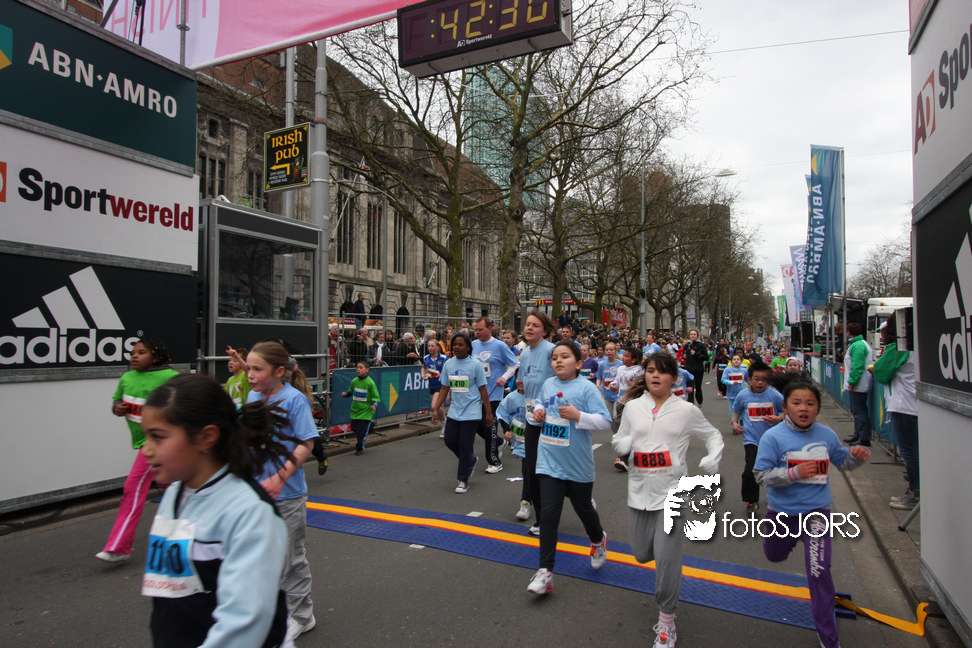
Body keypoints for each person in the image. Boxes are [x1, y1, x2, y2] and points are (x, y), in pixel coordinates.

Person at [139, 374, 291, 648]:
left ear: (206, 437)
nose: (145, 450)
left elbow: (244, 622)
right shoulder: (174, 493)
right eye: (145, 436)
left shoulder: (250, 511)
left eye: (157, 437)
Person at [612, 352, 724, 648]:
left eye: (662, 371)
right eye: (650, 370)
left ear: (674, 378)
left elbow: (713, 435)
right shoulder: (633, 407)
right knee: (641, 554)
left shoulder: (686, 410)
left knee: (667, 558)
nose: (655, 375)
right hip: (639, 491)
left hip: (673, 493)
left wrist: (713, 456)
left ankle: (666, 621)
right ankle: (661, 563)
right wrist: (622, 444)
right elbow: (619, 438)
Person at [754, 378, 871, 648]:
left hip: (817, 515)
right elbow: (761, 475)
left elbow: (842, 461)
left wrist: (855, 457)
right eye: (796, 403)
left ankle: (829, 638)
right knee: (774, 555)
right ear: (785, 408)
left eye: (810, 403)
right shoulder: (773, 437)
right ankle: (791, 540)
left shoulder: (826, 435)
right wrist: (794, 473)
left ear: (818, 408)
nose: (803, 408)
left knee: (819, 572)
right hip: (782, 514)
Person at [526, 341, 613, 595]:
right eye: (554, 358)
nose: (558, 361)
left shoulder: (586, 388)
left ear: (578, 363)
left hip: (577, 463)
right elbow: (539, 404)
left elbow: (605, 421)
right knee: (549, 516)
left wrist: (579, 416)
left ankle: (598, 539)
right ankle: (545, 572)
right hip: (549, 461)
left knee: (583, 508)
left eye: (565, 357)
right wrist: (538, 412)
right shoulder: (548, 384)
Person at [245, 341, 319, 639]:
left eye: (256, 369)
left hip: (287, 495)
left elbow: (306, 443)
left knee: (290, 559)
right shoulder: (252, 396)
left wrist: (279, 477)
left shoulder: (294, 400)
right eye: (248, 368)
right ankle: (268, 609)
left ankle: (302, 615)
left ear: (278, 372)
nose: (250, 375)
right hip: (256, 492)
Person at [97, 337, 179, 564]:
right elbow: (116, 402)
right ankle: (194, 526)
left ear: (156, 357)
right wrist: (117, 408)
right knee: (173, 487)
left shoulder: (170, 377)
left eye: (141, 352)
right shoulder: (127, 378)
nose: (134, 356)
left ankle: (119, 547)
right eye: (133, 352)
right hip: (145, 442)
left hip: (159, 443)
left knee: (132, 487)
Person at [431, 332, 493, 494]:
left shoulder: (476, 365)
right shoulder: (449, 364)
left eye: (461, 345)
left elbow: (483, 389)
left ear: (468, 347)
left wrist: (488, 412)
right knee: (450, 440)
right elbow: (444, 387)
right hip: (455, 410)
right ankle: (469, 460)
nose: (457, 347)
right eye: (454, 345)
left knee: (465, 445)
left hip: (472, 411)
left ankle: (463, 479)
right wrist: (436, 408)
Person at [872, 316, 919, 509]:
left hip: (904, 405)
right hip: (914, 404)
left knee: (909, 451)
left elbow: (881, 372)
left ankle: (915, 493)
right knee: (912, 450)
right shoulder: (917, 343)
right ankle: (914, 491)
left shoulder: (900, 347)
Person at [518, 310, 557, 534]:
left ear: (545, 331)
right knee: (531, 468)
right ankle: (542, 519)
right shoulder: (524, 354)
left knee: (554, 468)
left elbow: (562, 381)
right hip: (531, 418)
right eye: (527, 324)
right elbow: (523, 384)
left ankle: (580, 496)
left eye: (535, 325)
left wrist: (546, 405)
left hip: (552, 418)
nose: (529, 328)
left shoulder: (552, 351)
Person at [731, 362, 784, 513]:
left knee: (775, 470)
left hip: (772, 440)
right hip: (751, 439)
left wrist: (778, 418)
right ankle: (752, 500)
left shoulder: (774, 395)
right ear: (749, 380)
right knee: (750, 470)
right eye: (757, 379)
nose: (760, 383)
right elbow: (737, 410)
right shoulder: (743, 395)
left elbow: (786, 411)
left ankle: (779, 498)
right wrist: (734, 422)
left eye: (764, 380)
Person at [471, 317, 520, 474]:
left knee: (489, 426)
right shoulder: (474, 344)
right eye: (475, 330)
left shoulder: (499, 346)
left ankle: (494, 462)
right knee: (476, 425)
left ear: (490, 329)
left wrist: (504, 378)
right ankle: (498, 442)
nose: (477, 332)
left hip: (493, 394)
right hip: (477, 394)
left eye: (480, 329)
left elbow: (515, 364)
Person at [496, 379, 530, 520]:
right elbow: (502, 414)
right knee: (527, 472)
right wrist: (506, 430)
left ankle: (579, 497)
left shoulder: (538, 396)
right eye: (518, 377)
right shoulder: (511, 398)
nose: (521, 380)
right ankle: (525, 504)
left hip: (539, 442)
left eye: (524, 377)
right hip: (520, 442)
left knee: (544, 476)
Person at [843, 321, 874, 446]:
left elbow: (857, 366)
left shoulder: (858, 345)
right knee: (857, 411)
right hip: (859, 383)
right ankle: (858, 435)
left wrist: (852, 382)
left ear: (849, 332)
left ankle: (864, 437)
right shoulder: (857, 344)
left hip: (859, 383)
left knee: (860, 411)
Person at [341, 361, 381, 456]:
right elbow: (351, 391)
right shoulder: (354, 381)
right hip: (356, 410)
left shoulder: (370, 383)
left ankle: (359, 447)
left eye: (361, 368)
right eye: (357, 368)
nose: (358, 370)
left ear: (367, 370)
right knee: (354, 428)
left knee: (361, 432)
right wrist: (346, 394)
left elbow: (375, 396)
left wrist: (374, 404)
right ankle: (370, 427)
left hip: (366, 411)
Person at [421, 339, 447, 424]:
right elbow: (424, 367)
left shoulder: (444, 358)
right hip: (432, 384)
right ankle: (444, 422)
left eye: (432, 346)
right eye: (429, 346)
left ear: (438, 347)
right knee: (439, 406)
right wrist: (423, 375)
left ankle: (444, 422)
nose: (430, 348)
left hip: (441, 385)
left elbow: (449, 369)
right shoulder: (426, 358)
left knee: (434, 406)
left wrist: (441, 375)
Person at [681, 329, 709, 406]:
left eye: (694, 334)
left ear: (697, 336)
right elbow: (684, 354)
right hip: (689, 368)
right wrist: (684, 356)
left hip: (698, 369)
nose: (692, 336)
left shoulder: (701, 345)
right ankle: (691, 403)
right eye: (691, 334)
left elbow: (706, 357)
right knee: (690, 387)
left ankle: (700, 401)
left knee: (698, 387)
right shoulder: (687, 345)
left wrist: (696, 354)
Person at [596, 342, 623, 421]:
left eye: (611, 350)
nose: (609, 351)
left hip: (617, 394)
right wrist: (597, 385)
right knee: (609, 417)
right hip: (607, 394)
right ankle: (612, 429)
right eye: (607, 350)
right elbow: (599, 377)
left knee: (615, 416)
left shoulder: (620, 364)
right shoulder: (602, 365)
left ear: (615, 351)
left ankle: (617, 428)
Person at [721, 353, 749, 418]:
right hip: (732, 392)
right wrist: (731, 382)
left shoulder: (744, 370)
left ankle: (742, 420)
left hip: (742, 392)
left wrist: (752, 386)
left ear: (741, 361)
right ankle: (734, 420)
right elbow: (723, 380)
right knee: (732, 407)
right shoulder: (727, 370)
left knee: (743, 407)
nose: (736, 361)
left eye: (738, 359)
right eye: (734, 359)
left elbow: (748, 380)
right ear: (731, 361)